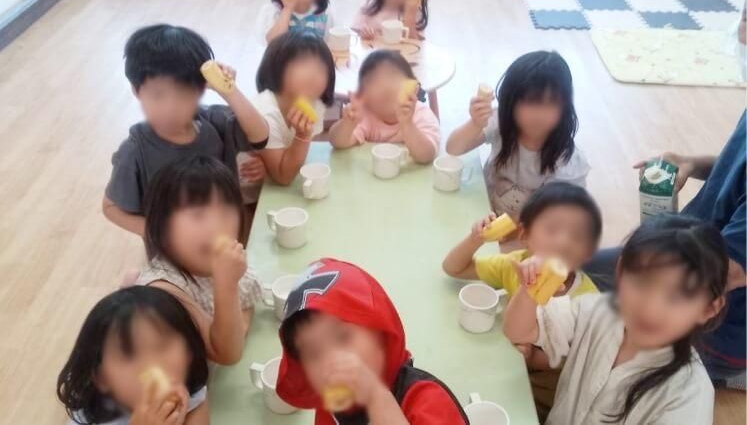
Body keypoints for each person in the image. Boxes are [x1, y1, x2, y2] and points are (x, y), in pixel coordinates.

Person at [504, 215, 728, 424]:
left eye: (677, 297)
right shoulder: (596, 310)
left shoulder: (689, 395)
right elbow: (518, 331)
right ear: (620, 272)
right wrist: (530, 290)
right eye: (641, 282)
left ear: (708, 308)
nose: (651, 308)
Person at [585, 112, 746, 390]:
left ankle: (724, 371)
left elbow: (724, 274)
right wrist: (690, 163)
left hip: (720, 325)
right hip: (680, 252)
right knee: (573, 274)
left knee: (594, 345)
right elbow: (736, 166)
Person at [443, 182, 600, 419]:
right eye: (552, 229)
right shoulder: (515, 264)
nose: (563, 242)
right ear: (525, 235)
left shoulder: (586, 301)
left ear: (587, 252)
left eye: (577, 236)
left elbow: (573, 362)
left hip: (549, 391)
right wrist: (476, 238)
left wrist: (534, 358)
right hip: (505, 365)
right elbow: (453, 267)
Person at [103, 24, 268, 236]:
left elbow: (260, 135)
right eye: (158, 95)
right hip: (173, 254)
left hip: (226, 240)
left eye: (184, 94)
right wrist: (162, 235)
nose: (171, 107)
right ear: (137, 91)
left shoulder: (212, 122)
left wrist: (228, 89)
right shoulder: (136, 150)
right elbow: (110, 207)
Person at [276, 258, 469, 425]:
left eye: (342, 336)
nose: (329, 361)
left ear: (380, 331)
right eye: (313, 353)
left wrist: (376, 397)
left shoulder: (429, 401)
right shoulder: (332, 408)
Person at [135, 156, 262, 365]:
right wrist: (226, 285)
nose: (215, 227)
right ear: (163, 226)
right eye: (198, 215)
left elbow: (247, 300)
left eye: (225, 213)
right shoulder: (165, 290)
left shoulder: (215, 264)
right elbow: (226, 354)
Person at [445, 51, 589, 220]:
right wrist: (475, 124)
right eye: (531, 102)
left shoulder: (566, 161)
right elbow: (453, 148)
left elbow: (553, 214)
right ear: (511, 101)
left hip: (528, 225)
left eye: (552, 103)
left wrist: (509, 227)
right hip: (486, 208)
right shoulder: (502, 121)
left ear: (564, 107)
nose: (540, 114)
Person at [56, 286, 209, 425]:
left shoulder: (191, 396)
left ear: (189, 351)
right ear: (102, 378)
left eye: (162, 345)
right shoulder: (87, 421)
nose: (151, 364)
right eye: (128, 355)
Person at [328, 50, 439, 164]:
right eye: (374, 81)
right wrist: (348, 123)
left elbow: (427, 156)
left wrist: (407, 124)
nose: (385, 87)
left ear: (414, 87)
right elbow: (337, 143)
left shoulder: (422, 115)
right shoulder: (366, 115)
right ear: (363, 95)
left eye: (392, 76)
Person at [254, 31, 335, 185]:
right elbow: (284, 177)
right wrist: (302, 137)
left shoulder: (315, 104)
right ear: (277, 66)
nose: (313, 74)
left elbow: (296, 158)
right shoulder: (265, 113)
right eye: (303, 64)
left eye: (321, 69)